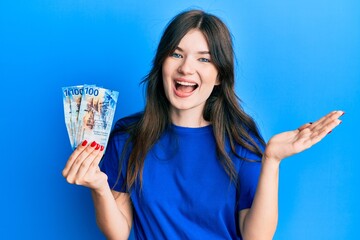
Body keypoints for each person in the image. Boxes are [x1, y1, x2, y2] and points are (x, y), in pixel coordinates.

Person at [62, 9, 343, 240]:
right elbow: (119, 232)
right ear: (162, 64)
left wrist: (272, 160)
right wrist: (100, 187)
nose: (186, 68)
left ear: (219, 75)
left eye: (204, 59)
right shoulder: (127, 137)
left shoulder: (241, 143)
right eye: (176, 54)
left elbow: (256, 237)